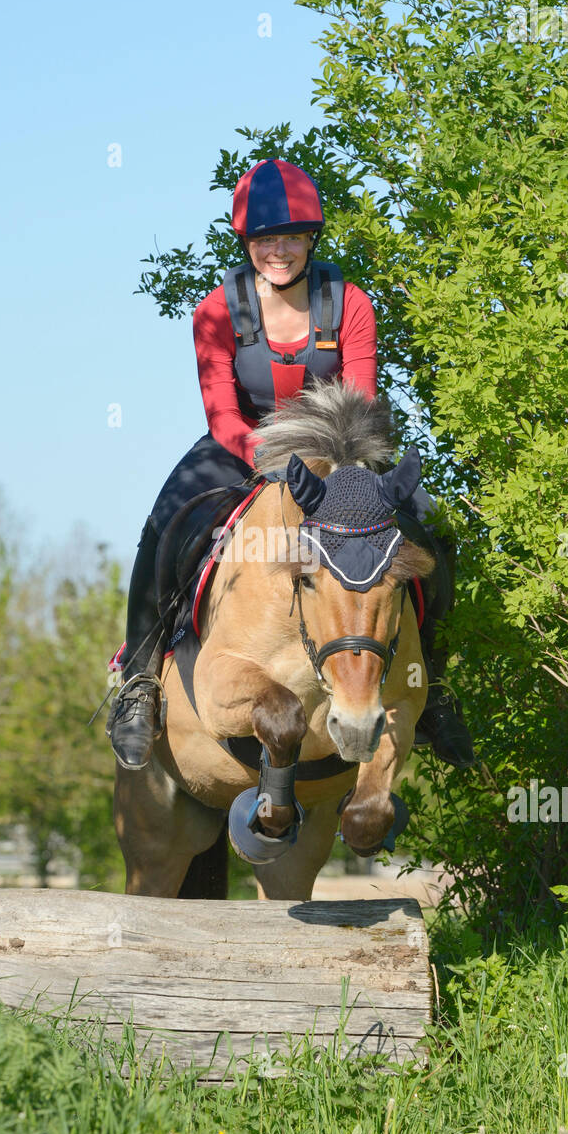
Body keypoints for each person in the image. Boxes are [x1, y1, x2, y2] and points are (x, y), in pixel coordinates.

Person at [106, 158, 474, 771]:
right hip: (242, 448)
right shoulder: (215, 312)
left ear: (312, 240)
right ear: (246, 243)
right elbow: (221, 410)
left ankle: (430, 683)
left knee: (431, 525)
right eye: (264, 240)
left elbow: (359, 400)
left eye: (291, 239)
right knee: (164, 524)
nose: (278, 252)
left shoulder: (350, 303)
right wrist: (270, 461)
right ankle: (140, 685)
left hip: (339, 455)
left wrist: (328, 468)